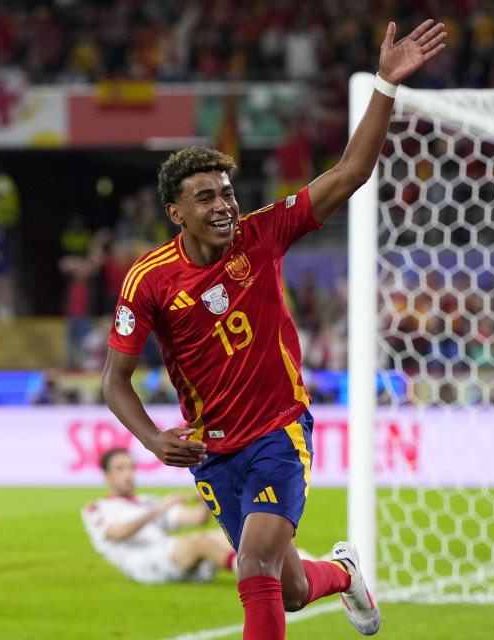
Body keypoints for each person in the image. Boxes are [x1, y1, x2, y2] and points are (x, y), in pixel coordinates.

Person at [101, 19, 446, 639]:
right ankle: (342, 575)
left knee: (252, 563)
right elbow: (114, 381)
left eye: (227, 192)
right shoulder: (148, 281)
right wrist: (153, 440)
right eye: (205, 197)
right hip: (213, 450)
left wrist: (386, 87)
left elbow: (348, 174)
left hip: (278, 431)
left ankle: (332, 574)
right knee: (284, 590)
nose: (223, 206)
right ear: (176, 212)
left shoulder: (262, 235)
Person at [81, 448, 237, 584]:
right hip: (142, 563)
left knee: (228, 534)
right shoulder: (97, 509)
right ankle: (251, 575)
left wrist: (205, 500)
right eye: (120, 469)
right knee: (201, 542)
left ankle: (253, 570)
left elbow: (198, 520)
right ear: (107, 475)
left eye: (131, 468)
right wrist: (160, 508)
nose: (128, 474)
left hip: (168, 550)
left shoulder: (147, 501)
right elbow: (118, 533)